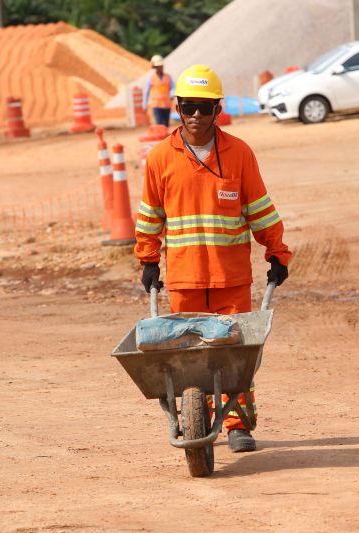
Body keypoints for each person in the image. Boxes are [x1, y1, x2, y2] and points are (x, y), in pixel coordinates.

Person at [134, 64, 291, 453]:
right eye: (189, 107)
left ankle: (238, 424)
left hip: (231, 277)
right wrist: (148, 260)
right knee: (189, 358)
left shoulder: (238, 154)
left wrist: (277, 252)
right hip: (185, 279)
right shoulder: (160, 159)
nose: (197, 116)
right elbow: (150, 216)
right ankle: (195, 418)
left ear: (218, 109)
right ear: (177, 107)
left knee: (234, 356)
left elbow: (260, 209)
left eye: (205, 108)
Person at [143, 55, 175, 127]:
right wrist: (144, 104)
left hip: (167, 105)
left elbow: (173, 87)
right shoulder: (151, 78)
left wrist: (172, 94)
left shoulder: (168, 77)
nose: (159, 68)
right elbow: (146, 92)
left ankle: (166, 138)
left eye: (160, 66)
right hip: (156, 105)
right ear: (154, 67)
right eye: (157, 66)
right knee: (160, 125)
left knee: (166, 125)